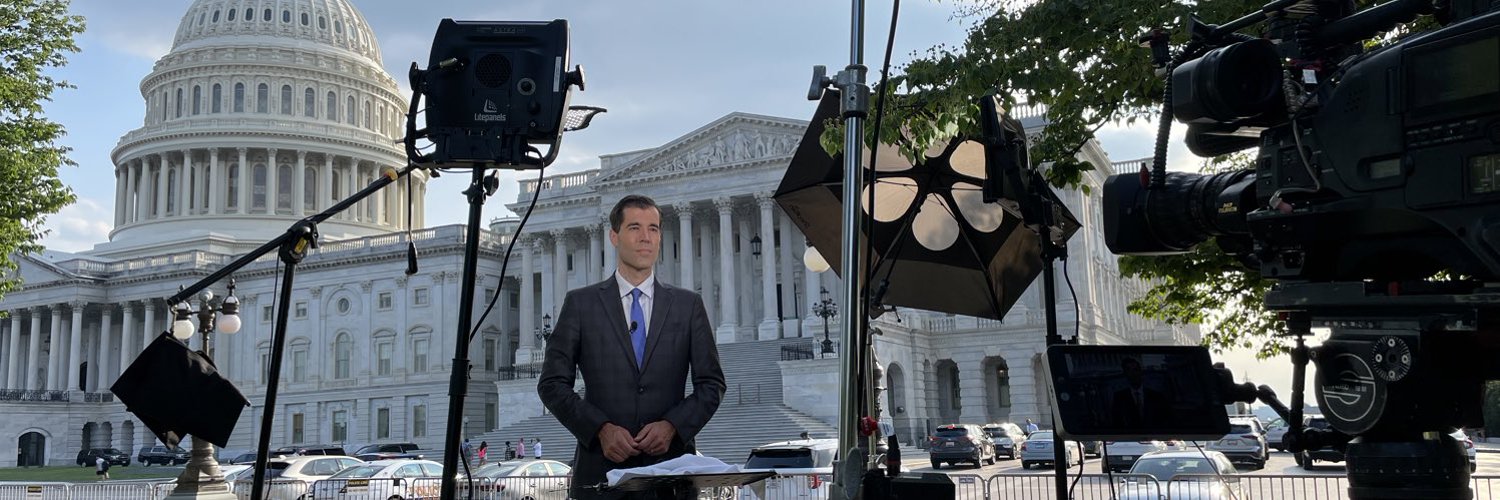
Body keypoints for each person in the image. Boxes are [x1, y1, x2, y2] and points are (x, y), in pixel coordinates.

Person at [539, 194, 727, 500]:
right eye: (635, 227)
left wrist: (672, 426)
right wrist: (600, 429)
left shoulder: (688, 305)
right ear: (614, 236)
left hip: (671, 479)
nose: (645, 238)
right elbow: (551, 384)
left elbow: (712, 384)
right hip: (601, 477)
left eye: (653, 229)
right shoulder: (581, 304)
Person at [1111, 357, 1171, 428]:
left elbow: (1166, 420)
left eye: (1135, 370)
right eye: (1129, 370)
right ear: (1125, 374)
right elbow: (1117, 422)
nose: (1133, 374)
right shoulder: (1119, 398)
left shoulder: (1157, 396)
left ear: (1140, 372)